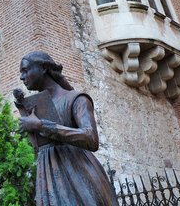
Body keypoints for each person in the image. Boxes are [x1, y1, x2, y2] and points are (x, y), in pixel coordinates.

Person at [18, 51, 118, 206]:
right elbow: (40, 146)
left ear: (43, 68)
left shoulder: (76, 99)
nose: (21, 77)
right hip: (49, 177)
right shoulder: (39, 106)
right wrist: (25, 114)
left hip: (78, 175)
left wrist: (41, 125)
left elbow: (91, 138)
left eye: (25, 70)